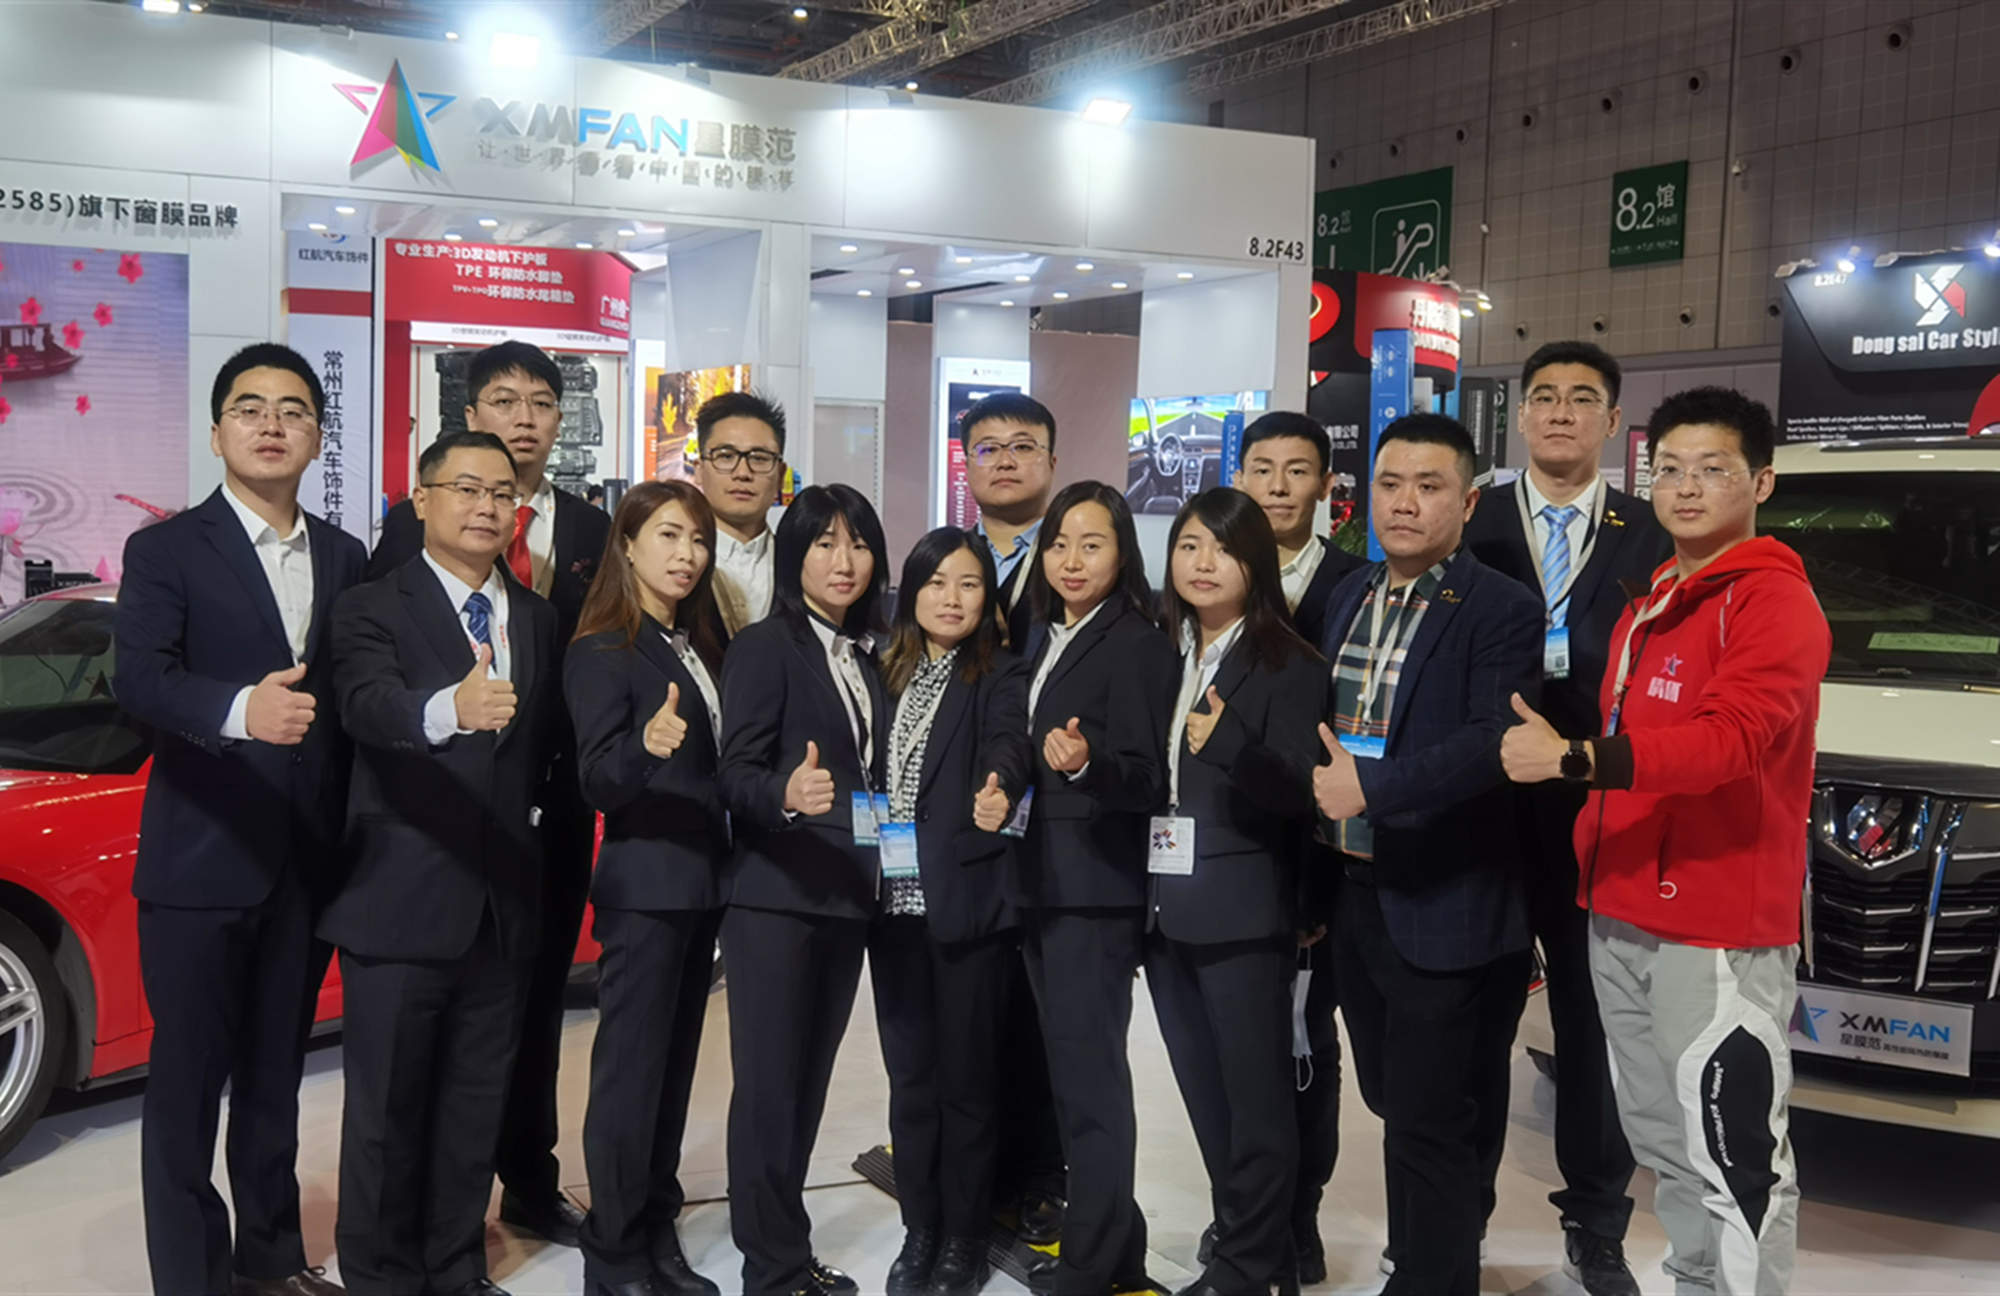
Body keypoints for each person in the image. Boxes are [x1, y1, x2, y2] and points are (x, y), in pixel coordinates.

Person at [1502, 386, 1827, 1296]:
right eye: (1669, 469)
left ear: (1761, 481)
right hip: (1620, 911)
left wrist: (1574, 759)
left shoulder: (1772, 603)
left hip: (1715, 926)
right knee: (1667, 1146)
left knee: (1733, 1154)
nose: (1685, 488)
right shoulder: (1656, 600)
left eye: (1712, 469)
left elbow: (1728, 743)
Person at [113, 343, 367, 1296]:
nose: (272, 424)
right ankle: (192, 1278)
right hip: (199, 861)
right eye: (250, 408)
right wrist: (237, 711)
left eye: (293, 410)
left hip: (304, 864)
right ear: (218, 431)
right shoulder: (166, 550)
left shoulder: (345, 557)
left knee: (274, 1082)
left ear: (316, 437)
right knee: (186, 1089)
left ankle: (273, 1260)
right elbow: (139, 679)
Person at [366, 340, 610, 1247]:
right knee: (448, 1018)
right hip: (440, 812)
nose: (523, 417)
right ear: (470, 415)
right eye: (504, 400)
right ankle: (429, 1215)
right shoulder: (412, 528)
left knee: (536, 1003)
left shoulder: (591, 532)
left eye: (541, 402)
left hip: (555, 809)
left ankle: (530, 1181)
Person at [322, 430, 559, 1296]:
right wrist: (447, 709)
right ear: (422, 500)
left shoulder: (537, 618)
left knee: (472, 1106)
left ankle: (455, 1268)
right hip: (400, 898)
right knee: (386, 1112)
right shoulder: (369, 606)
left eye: (501, 493)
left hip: (502, 906)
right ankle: (381, 1277)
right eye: (465, 488)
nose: (485, 506)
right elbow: (365, 706)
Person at [1310, 414, 1542, 1296]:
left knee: (1429, 1115)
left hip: (1446, 897)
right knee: (1392, 1098)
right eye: (1390, 484)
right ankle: (1427, 1251)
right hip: (1355, 889)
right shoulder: (1350, 592)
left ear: (1468, 501)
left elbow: (1492, 742)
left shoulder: (1501, 608)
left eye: (1429, 486)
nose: (1404, 503)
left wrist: (1373, 790)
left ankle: (1433, 1274)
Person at [1465, 341, 1668, 1296]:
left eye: (1581, 398)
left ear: (1612, 422)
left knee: (1593, 1024)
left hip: (1599, 810)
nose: (1559, 412)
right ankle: (1454, 1218)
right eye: (1542, 396)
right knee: (1474, 1020)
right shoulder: (1473, 518)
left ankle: (1596, 1224)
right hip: (1482, 808)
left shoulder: (1648, 531)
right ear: (1519, 415)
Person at [1145, 489, 1325, 1296]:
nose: (1203, 563)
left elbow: (1298, 793)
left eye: (1221, 549)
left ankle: (1251, 1267)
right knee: (1204, 1095)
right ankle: (1251, 1245)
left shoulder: (1290, 662)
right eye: (1189, 546)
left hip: (1245, 912)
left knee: (1255, 1104)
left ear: (1255, 562)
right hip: (1166, 908)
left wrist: (1230, 745)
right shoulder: (1167, 653)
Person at [716, 484, 891, 1296]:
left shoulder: (870, 654)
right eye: (824, 543)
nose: (843, 560)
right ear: (795, 555)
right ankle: (773, 1266)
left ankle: (786, 1247)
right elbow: (735, 774)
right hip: (776, 900)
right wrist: (783, 794)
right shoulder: (765, 646)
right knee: (769, 1089)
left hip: (846, 897)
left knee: (807, 1084)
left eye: (858, 544)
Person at [565, 480, 732, 1296]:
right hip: (646, 889)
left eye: (697, 540)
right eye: (668, 535)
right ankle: (613, 1253)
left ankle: (655, 1230)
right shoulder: (603, 647)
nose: (686, 554)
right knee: (629, 1078)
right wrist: (646, 745)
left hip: (701, 885)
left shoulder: (695, 643)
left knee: (670, 1074)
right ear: (626, 545)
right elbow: (599, 778)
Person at [1016, 482, 1177, 1296]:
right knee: (1076, 1079)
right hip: (1043, 883)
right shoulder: (1049, 635)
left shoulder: (1136, 643)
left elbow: (1147, 777)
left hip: (1093, 891)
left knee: (1092, 1084)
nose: (1072, 560)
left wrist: (1088, 766)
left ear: (1123, 553)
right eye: (1059, 544)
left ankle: (1088, 1265)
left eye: (1092, 543)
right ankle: (1116, 1247)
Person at [871, 527, 1034, 1296]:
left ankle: (965, 1238)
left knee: (968, 1085)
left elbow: (1009, 743)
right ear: (912, 592)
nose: (952, 598)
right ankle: (920, 1228)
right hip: (890, 908)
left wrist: (1001, 783)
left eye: (969, 584)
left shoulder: (1000, 672)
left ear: (987, 598)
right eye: (937, 582)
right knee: (911, 1081)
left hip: (966, 903)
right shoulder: (884, 671)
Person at [1229, 411, 1365, 1284]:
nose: (1278, 486)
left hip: (1321, 850)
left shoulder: (1356, 585)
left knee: (1307, 1043)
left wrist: (1316, 881)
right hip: (1230, 852)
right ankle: (1246, 1216)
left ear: (1325, 485)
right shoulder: (1210, 575)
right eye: (1262, 468)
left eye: (1297, 470)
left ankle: (1300, 1218)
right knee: (1237, 1049)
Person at [958, 391, 1067, 1243]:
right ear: (966, 464)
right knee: (968, 1012)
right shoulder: (944, 561)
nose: (1004, 459)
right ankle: (975, 1174)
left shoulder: (1077, 557)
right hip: (958, 825)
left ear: (1051, 463)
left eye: (1022, 445)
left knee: (1041, 1014)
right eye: (987, 447)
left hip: (1053, 822)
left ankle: (1041, 1177)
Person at [694, 391, 788, 635]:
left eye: (759, 458)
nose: (743, 473)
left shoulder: (800, 567)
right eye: (726, 456)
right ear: (699, 470)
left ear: (780, 475)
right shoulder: (671, 563)